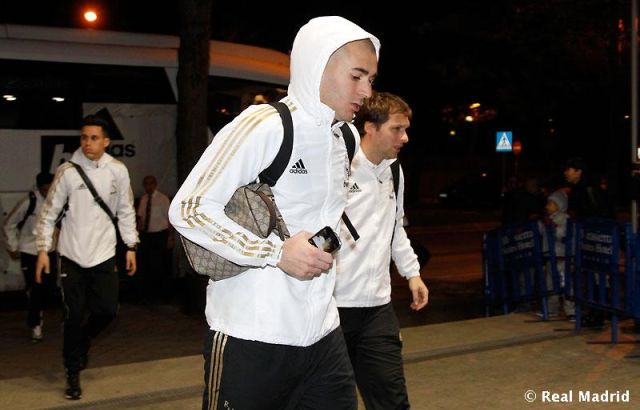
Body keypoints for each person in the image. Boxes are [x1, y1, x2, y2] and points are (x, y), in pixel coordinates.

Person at [169, 16, 380, 410]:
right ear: (317, 65)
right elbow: (189, 207)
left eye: (371, 79)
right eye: (356, 76)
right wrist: (275, 252)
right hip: (252, 337)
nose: (366, 91)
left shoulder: (346, 137)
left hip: (323, 336)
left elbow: (325, 220)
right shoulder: (266, 125)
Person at [335, 91, 429, 409]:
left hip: (377, 308)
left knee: (392, 401)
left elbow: (395, 228)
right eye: (396, 129)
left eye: (406, 129)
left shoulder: (394, 171)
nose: (404, 137)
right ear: (370, 127)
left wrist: (412, 274)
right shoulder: (340, 166)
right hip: (333, 308)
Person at [35, 114, 139, 400]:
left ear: (106, 141)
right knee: (73, 316)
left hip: (104, 254)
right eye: (84, 137)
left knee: (108, 311)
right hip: (71, 256)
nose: (88, 143)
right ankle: (72, 373)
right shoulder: (67, 171)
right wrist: (43, 249)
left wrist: (131, 246)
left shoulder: (117, 170)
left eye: (94, 138)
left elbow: (126, 210)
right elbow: (49, 213)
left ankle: (82, 341)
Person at [3, 172, 56, 342]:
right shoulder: (29, 202)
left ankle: (34, 299)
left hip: (50, 250)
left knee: (48, 288)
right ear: (39, 188)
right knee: (37, 288)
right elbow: (9, 224)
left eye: (51, 188)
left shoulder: (58, 200)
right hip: (30, 251)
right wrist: (13, 247)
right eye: (45, 189)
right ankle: (35, 325)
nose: (49, 192)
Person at [136, 175, 172, 303]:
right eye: (146, 184)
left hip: (159, 235)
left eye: (151, 183)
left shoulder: (163, 199)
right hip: (146, 235)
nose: (148, 186)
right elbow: (140, 218)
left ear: (155, 184)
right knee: (146, 265)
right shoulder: (144, 199)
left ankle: (161, 295)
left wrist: (170, 238)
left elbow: (169, 219)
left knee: (159, 265)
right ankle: (148, 295)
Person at [539, 189, 574, 319]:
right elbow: (542, 232)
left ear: (559, 205)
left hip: (562, 257)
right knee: (550, 284)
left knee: (566, 284)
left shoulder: (564, 218)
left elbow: (563, 233)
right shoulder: (549, 218)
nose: (547, 206)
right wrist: (542, 224)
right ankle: (551, 309)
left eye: (550, 204)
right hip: (551, 257)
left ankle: (571, 310)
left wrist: (553, 228)